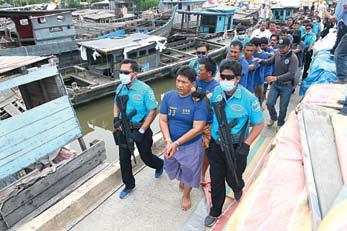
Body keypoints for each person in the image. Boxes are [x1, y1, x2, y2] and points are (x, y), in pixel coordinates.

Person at [204, 59, 264, 227]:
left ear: (238, 78)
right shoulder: (217, 92)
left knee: (234, 177)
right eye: (222, 76)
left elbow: (259, 123)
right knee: (216, 179)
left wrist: (247, 144)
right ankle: (215, 210)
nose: (225, 80)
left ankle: (238, 187)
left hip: (237, 147)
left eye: (229, 77)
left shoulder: (249, 99)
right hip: (216, 144)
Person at [113, 59, 164, 199]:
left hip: (141, 128)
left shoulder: (145, 90)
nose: (122, 74)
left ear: (134, 74)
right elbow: (116, 104)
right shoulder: (120, 88)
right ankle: (129, 185)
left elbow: (153, 110)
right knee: (124, 159)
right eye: (120, 72)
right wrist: (115, 118)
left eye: (125, 72)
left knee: (146, 157)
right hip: (124, 128)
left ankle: (159, 164)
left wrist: (142, 130)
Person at [160, 66, 208, 210]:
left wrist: (178, 143)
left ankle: (186, 194)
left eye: (185, 82)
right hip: (171, 142)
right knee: (170, 165)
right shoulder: (168, 96)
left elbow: (198, 128)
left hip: (191, 145)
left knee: (190, 171)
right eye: (178, 81)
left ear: (193, 83)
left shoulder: (198, 101)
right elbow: (163, 120)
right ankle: (183, 179)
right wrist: (169, 141)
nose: (180, 85)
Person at [255, 37, 299, 128]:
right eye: (279, 47)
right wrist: (261, 61)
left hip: (286, 86)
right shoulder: (277, 54)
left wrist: (276, 78)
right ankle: (273, 117)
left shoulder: (293, 58)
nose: (280, 49)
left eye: (282, 47)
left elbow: (291, 74)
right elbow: (269, 62)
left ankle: (280, 123)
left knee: (283, 107)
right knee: (269, 103)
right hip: (275, 85)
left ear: (288, 46)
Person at [194, 57, 219, 184]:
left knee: (206, 150)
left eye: (201, 70)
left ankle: (202, 174)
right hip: (194, 120)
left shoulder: (216, 87)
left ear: (209, 73)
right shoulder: (195, 81)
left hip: (208, 123)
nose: (198, 71)